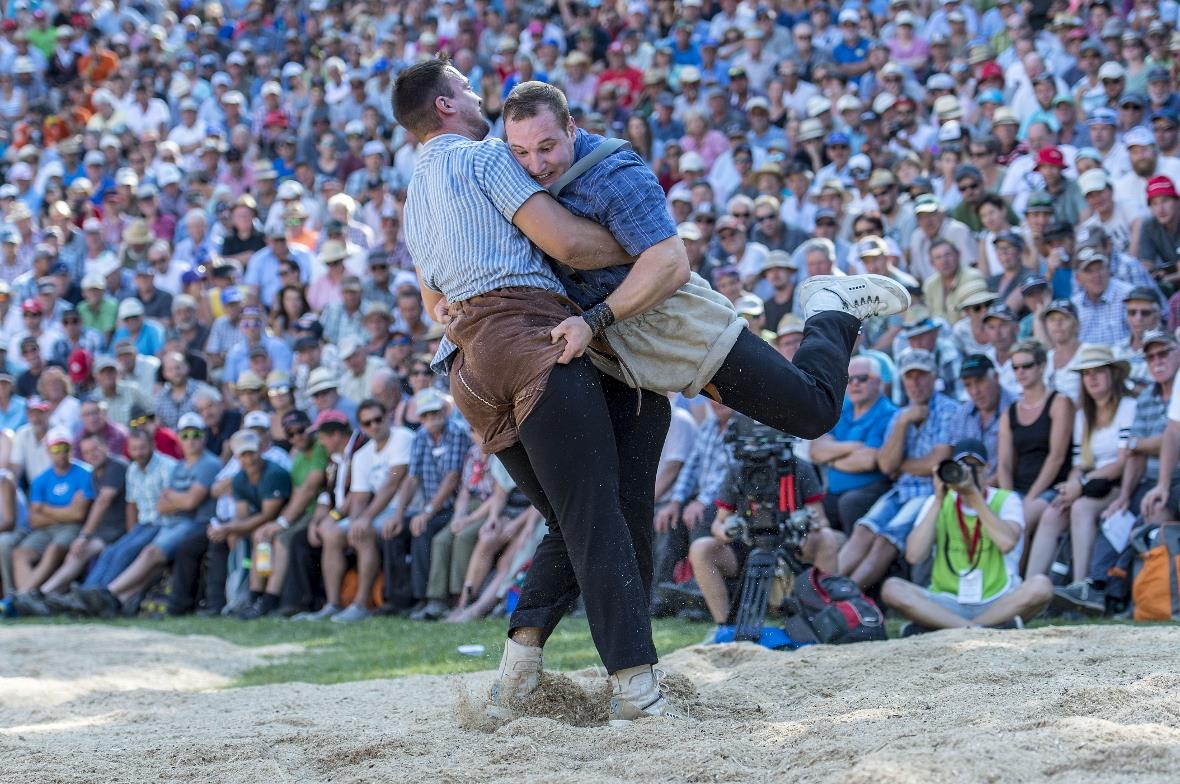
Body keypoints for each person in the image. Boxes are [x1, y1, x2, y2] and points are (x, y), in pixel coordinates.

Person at [395, 60, 900, 723]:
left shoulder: (590, 170)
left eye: (546, 147)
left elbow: (664, 260)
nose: (536, 161)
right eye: (525, 150)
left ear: (571, 129)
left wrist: (640, 259)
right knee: (591, 518)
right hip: (566, 346)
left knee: (808, 411)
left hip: (631, 330)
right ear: (446, 105)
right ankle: (620, 687)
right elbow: (569, 245)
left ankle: (829, 307)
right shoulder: (491, 160)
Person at [880, 439, 1054, 632]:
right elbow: (914, 555)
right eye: (962, 467)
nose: (969, 473)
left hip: (998, 600)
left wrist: (973, 495)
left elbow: (1006, 543)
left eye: (975, 467)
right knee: (892, 589)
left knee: (1041, 586)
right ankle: (985, 628)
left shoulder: (1006, 499)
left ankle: (943, 627)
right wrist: (939, 498)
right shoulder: (937, 502)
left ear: (987, 469)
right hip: (947, 599)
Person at [688, 427, 840, 628]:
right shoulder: (738, 469)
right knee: (701, 548)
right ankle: (724, 627)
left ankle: (823, 621)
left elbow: (821, 520)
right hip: (747, 543)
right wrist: (725, 531)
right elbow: (719, 522)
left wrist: (804, 521)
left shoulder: (798, 467)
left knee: (827, 537)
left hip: (790, 542)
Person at [837, 349, 956, 591]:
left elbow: (937, 464)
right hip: (901, 490)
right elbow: (885, 465)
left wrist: (900, 464)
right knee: (863, 529)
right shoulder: (900, 415)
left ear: (934, 377)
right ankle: (826, 588)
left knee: (885, 539)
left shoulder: (949, 410)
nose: (915, 383)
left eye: (921, 376)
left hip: (931, 493)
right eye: (909, 377)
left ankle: (847, 596)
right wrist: (903, 423)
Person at [1026, 345, 1136, 583]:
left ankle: (1081, 584)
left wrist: (1082, 483)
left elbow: (1122, 462)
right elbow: (1079, 463)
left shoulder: (1128, 407)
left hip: (1121, 483)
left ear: (1112, 374)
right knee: (1053, 512)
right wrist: (1071, 485)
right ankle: (1029, 587)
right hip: (1091, 484)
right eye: (1086, 373)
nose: (1092, 378)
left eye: (1098, 371)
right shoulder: (1082, 416)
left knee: (1081, 508)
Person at [996, 340, 1074, 539]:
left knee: (1016, 526)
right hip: (1017, 489)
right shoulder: (1010, 412)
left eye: (1027, 366)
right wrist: (1008, 499)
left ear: (1041, 366)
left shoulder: (1059, 403)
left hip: (1050, 488)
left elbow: (1056, 457)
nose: (1020, 372)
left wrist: (1030, 497)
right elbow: (1004, 463)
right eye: (1015, 367)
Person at [811, 355, 896, 535]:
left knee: (849, 503)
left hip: (872, 490)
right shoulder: (843, 410)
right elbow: (816, 450)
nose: (855, 384)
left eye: (862, 378)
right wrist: (853, 447)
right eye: (849, 379)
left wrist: (832, 458)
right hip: (835, 493)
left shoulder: (888, 413)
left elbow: (868, 460)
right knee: (812, 510)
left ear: (878, 382)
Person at [8, 428, 93, 600]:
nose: (61, 453)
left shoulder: (85, 473)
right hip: (45, 529)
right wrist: (68, 510)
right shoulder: (40, 479)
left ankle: (21, 597)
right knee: (19, 554)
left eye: (65, 448)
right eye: (56, 449)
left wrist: (44, 509)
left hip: (72, 528)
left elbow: (78, 516)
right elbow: (34, 520)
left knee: (54, 549)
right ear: (48, 450)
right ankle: (27, 599)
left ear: (71, 449)